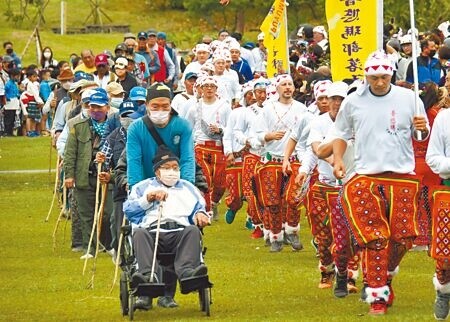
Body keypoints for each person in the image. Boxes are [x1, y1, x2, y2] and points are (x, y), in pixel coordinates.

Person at [333, 50, 429, 315]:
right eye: (374, 77)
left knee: (403, 237)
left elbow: (421, 136)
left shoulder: (410, 98)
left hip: (403, 177)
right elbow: (340, 133)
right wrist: (339, 158)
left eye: (384, 77)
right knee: (375, 237)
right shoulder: (353, 102)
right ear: (366, 76)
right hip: (366, 175)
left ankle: (385, 275)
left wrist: (421, 126)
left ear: (391, 75)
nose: (379, 82)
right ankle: (377, 295)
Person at [123, 145, 210, 311]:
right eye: (167, 168)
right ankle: (149, 276)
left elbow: (200, 207)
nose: (172, 172)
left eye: (175, 168)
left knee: (192, 231)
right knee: (139, 233)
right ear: (157, 172)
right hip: (152, 232)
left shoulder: (188, 187)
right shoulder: (142, 187)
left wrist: (201, 214)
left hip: (179, 233)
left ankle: (187, 273)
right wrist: (148, 199)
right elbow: (128, 210)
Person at [254, 74, 309, 252]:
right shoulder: (268, 109)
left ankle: (292, 230)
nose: (287, 87)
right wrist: (268, 136)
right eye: (283, 84)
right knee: (273, 202)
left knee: (293, 198)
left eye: (290, 84)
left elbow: (308, 133)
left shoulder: (302, 109)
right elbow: (256, 134)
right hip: (271, 160)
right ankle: (276, 236)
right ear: (277, 88)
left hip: (294, 160)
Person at [64, 88, 113, 258]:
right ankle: (89, 249)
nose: (95, 110)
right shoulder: (77, 127)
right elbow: (70, 154)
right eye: (92, 107)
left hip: (106, 177)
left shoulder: (114, 126)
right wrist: (69, 176)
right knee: (86, 214)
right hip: (84, 176)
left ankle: (108, 244)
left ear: (107, 107)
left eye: (99, 107)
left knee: (108, 214)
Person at [127, 82, 195, 188]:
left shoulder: (183, 126)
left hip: (175, 183)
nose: (160, 110)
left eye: (165, 106)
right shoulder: (136, 128)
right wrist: (135, 189)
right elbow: (134, 161)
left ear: (170, 104)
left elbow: (187, 158)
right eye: (155, 106)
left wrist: (187, 187)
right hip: (147, 183)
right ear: (147, 105)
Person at [425, 103, 450, 321]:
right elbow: (432, 157)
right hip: (448, 189)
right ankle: (444, 290)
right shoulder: (444, 118)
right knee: (445, 253)